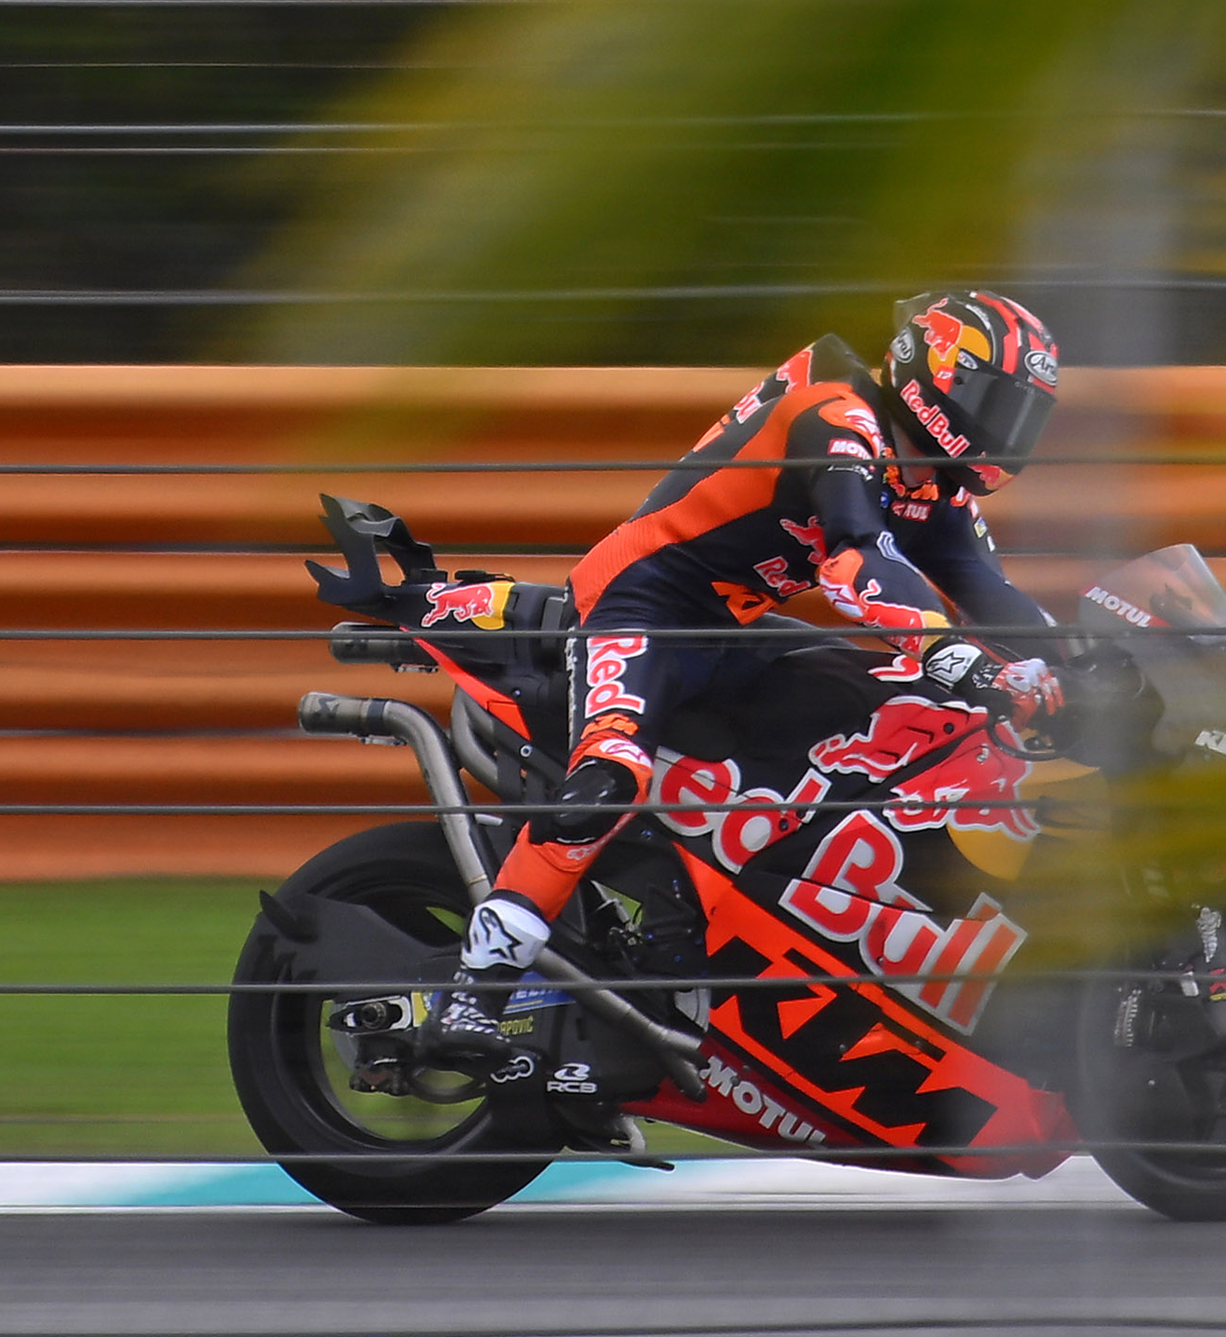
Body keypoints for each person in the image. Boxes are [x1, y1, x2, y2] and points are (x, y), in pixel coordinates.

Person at [421, 289, 1069, 1067]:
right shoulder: (839, 419)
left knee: (873, 722)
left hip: (728, 628)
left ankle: (696, 926)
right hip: (640, 605)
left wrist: (1080, 662)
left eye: (1024, 413)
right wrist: (949, 649)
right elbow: (854, 557)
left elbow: (989, 593)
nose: (1006, 428)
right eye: (994, 400)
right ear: (936, 371)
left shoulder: (931, 481)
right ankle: (472, 988)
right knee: (612, 775)